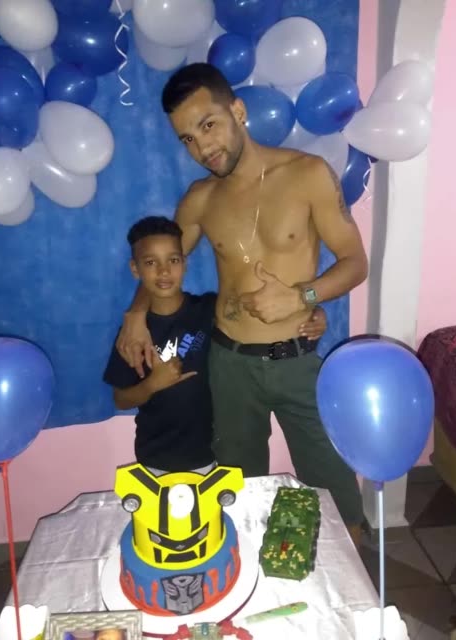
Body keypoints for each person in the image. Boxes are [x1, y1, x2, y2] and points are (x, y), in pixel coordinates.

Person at [116, 63, 368, 543]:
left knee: (335, 489)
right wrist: (135, 313)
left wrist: (302, 296)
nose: (202, 147)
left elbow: (356, 263)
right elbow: (162, 262)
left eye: (208, 125)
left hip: (297, 360)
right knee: (237, 492)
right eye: (188, 139)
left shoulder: (308, 174)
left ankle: (355, 575)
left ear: (238, 110)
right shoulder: (200, 198)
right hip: (229, 366)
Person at [103, 216, 327, 475]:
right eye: (151, 262)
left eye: (173, 260)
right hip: (153, 458)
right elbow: (120, 399)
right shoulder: (133, 337)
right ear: (135, 268)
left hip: (212, 455)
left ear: (185, 263)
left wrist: (314, 312)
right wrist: (153, 384)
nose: (164, 271)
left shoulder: (210, 309)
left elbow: (261, 309)